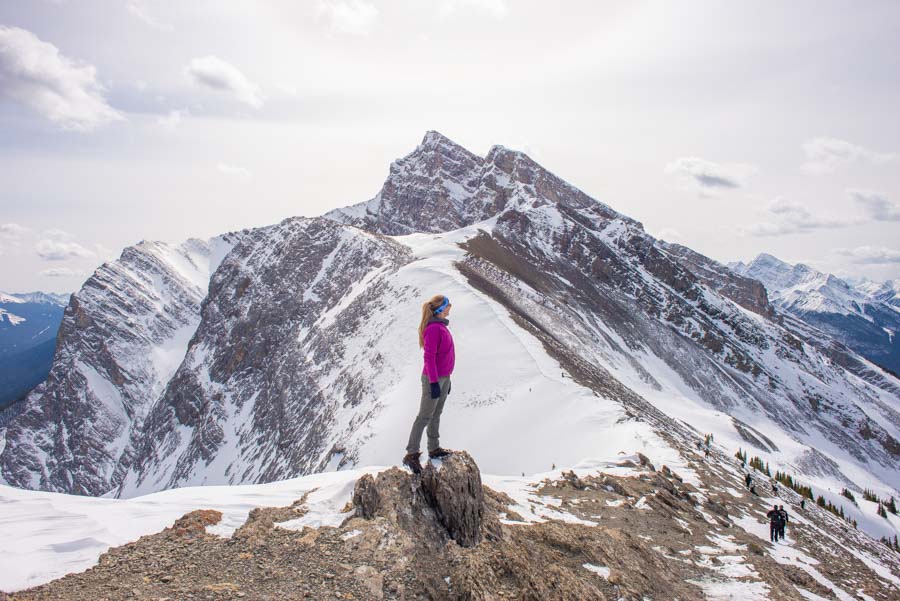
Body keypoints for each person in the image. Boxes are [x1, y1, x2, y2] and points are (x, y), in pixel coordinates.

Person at [403, 295, 455, 474]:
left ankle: (434, 448)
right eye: (448, 305)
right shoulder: (434, 329)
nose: (450, 308)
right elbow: (429, 357)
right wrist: (434, 382)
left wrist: (447, 379)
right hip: (434, 378)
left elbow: (443, 355)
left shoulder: (440, 327)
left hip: (442, 377)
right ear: (440, 310)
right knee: (424, 416)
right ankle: (411, 453)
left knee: (436, 414)